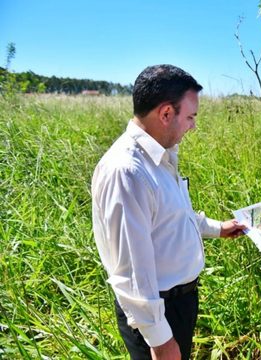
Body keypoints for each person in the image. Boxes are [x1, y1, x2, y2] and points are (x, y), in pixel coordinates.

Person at [91, 64, 245, 359]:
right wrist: (160, 340)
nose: (193, 126)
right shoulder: (127, 171)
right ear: (165, 114)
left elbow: (175, 217)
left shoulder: (162, 156)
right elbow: (131, 273)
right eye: (190, 117)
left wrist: (217, 228)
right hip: (156, 313)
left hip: (178, 303)